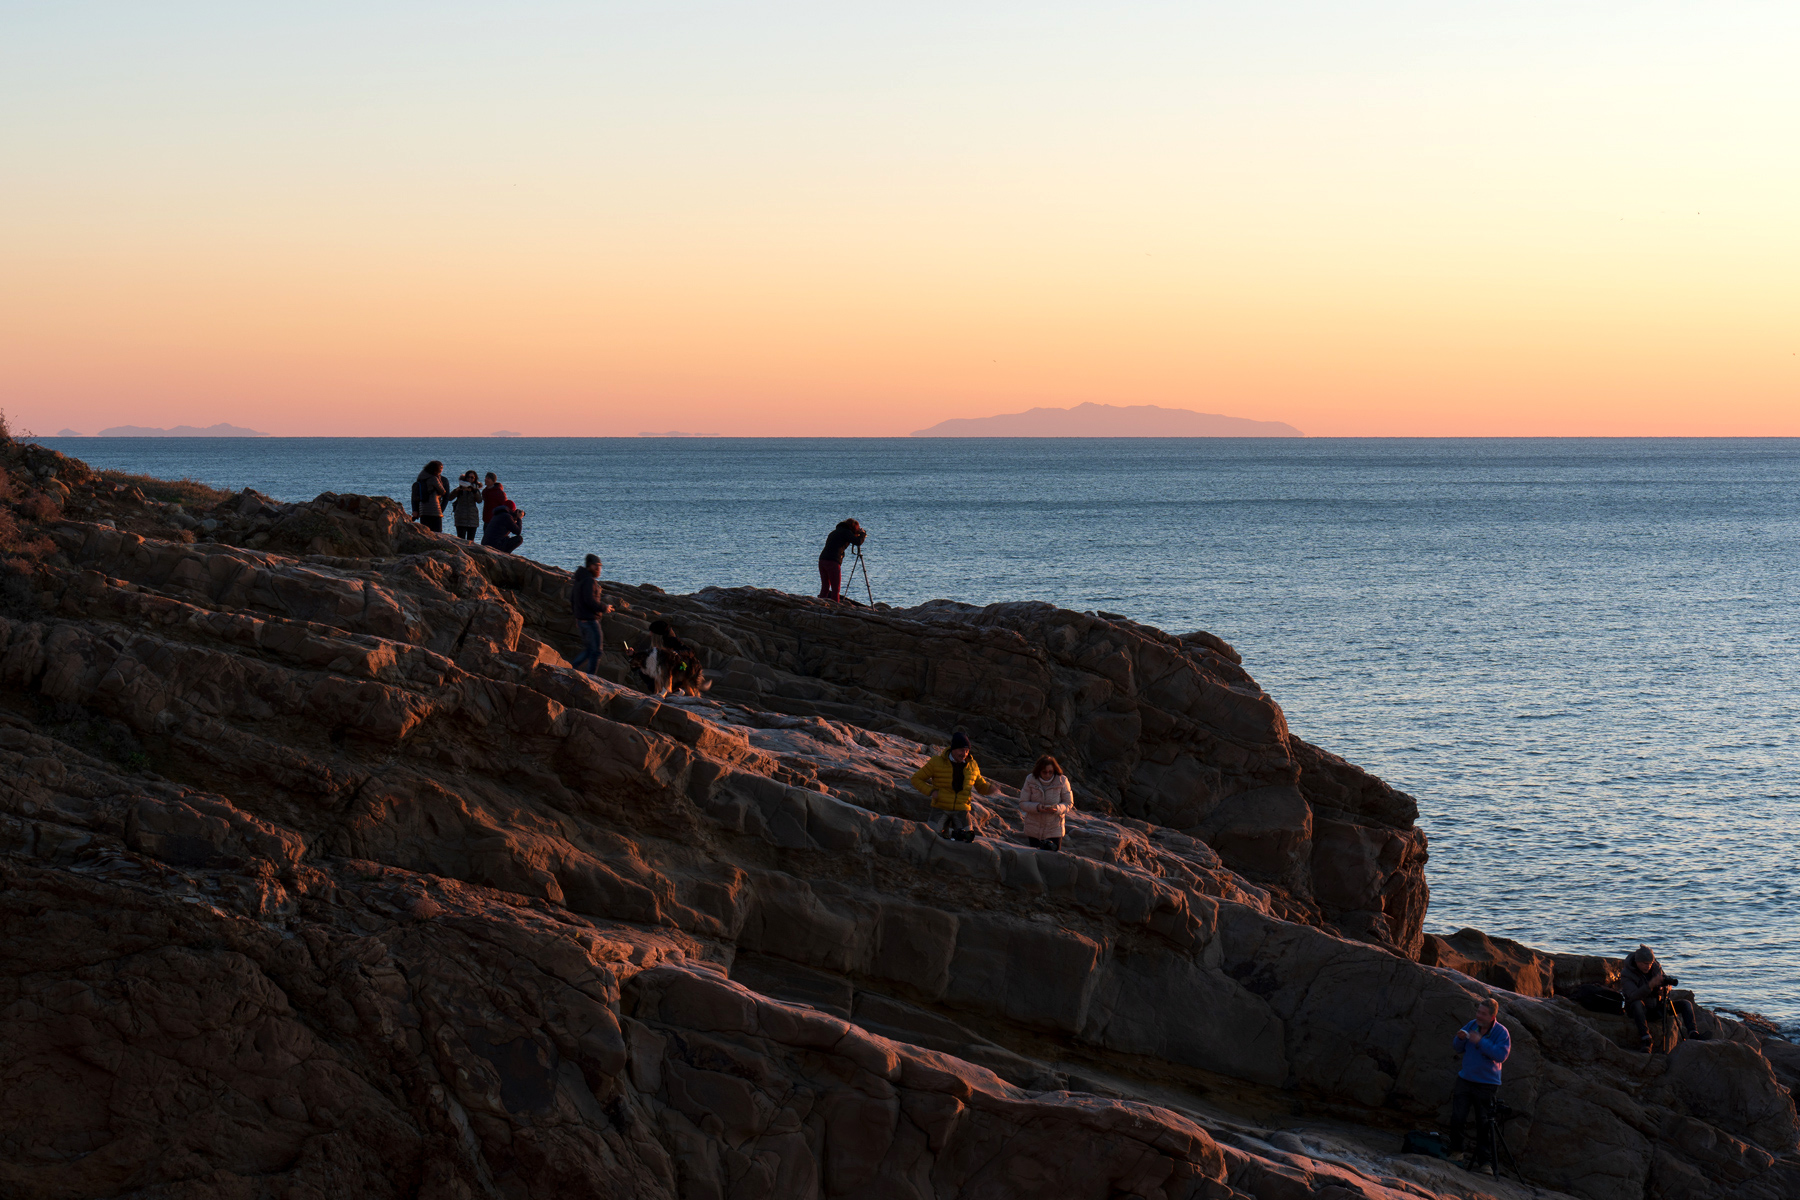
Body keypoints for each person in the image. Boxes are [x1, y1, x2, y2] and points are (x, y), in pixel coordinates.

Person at [1447, 996, 1510, 1168]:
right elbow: (1457, 1048)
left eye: (1482, 1013)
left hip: (1487, 1085)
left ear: (1492, 1016)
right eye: (1478, 1011)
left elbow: (1501, 1055)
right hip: (1465, 1079)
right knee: (1458, 1117)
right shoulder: (1471, 1025)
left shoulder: (1501, 1032)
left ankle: (1485, 1163)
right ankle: (1457, 1152)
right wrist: (1460, 1038)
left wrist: (1481, 1042)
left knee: (1484, 1124)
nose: (1478, 1016)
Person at [910, 730, 995, 843]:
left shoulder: (972, 765)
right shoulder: (937, 762)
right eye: (961, 750)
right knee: (930, 837)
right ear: (953, 749)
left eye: (967, 750)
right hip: (940, 807)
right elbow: (916, 779)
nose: (964, 754)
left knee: (967, 839)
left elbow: (981, 787)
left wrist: (990, 789)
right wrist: (931, 791)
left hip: (961, 810)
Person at [1621, 944, 1707, 1050]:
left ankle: (1693, 1034)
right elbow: (1633, 996)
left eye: (1650, 963)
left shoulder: (1656, 968)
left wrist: (1665, 988)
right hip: (1638, 1010)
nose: (1648, 966)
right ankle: (1646, 1039)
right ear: (1637, 961)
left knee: (1685, 1004)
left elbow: (1665, 981)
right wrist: (1650, 986)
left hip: (1656, 1007)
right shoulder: (1627, 974)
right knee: (1637, 1004)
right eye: (1645, 963)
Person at [1019, 754, 1074, 851]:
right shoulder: (1030, 780)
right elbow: (1023, 803)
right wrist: (1037, 808)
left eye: (1050, 772)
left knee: (1051, 862)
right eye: (1045, 772)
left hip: (1054, 829)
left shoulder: (1062, 781)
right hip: (1034, 829)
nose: (1048, 775)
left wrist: (1057, 809)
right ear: (1039, 771)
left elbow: (1069, 803)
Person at [570, 554, 612, 674]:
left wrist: (577, 618)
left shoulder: (579, 579)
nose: (599, 569)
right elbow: (590, 601)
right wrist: (604, 608)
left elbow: (572, 600)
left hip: (582, 621)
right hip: (590, 621)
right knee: (596, 651)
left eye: (600, 566)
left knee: (590, 650)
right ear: (590, 566)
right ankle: (590, 677)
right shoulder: (589, 581)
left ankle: (572, 669)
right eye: (597, 566)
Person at [817, 519, 866, 603]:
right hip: (833, 562)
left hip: (822, 560)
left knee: (825, 587)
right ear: (853, 527)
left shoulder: (835, 532)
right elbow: (857, 542)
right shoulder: (846, 532)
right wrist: (862, 534)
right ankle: (835, 607)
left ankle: (819, 605)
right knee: (836, 589)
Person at [410, 461, 448, 533]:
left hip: (423, 509)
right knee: (437, 532)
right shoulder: (433, 478)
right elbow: (443, 491)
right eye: (441, 468)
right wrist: (440, 481)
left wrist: (415, 510)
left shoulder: (421, 478)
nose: (441, 470)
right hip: (434, 508)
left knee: (426, 531)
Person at [448, 470, 483, 541]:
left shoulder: (475, 489)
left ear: (475, 479)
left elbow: (479, 500)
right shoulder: (460, 488)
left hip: (472, 518)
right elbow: (450, 498)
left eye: (472, 477)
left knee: (471, 541)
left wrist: (474, 491)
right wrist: (458, 490)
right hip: (461, 517)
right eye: (468, 477)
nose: (470, 479)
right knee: (461, 540)